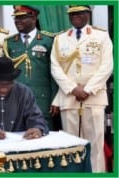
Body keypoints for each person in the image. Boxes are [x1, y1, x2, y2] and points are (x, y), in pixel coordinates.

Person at [50, 5, 113, 172]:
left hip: (94, 98)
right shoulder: (60, 39)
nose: (76, 16)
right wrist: (72, 88)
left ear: (88, 13)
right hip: (69, 99)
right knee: (71, 146)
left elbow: (107, 66)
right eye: (72, 13)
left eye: (79, 12)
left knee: (95, 145)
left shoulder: (101, 35)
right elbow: (55, 67)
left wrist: (88, 89)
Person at [3, 5, 60, 130]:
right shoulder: (9, 42)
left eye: (22, 17)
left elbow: (55, 73)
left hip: (42, 100)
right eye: (16, 18)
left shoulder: (48, 40)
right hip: (15, 100)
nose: (17, 21)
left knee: (44, 137)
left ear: (34, 18)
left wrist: (56, 99)